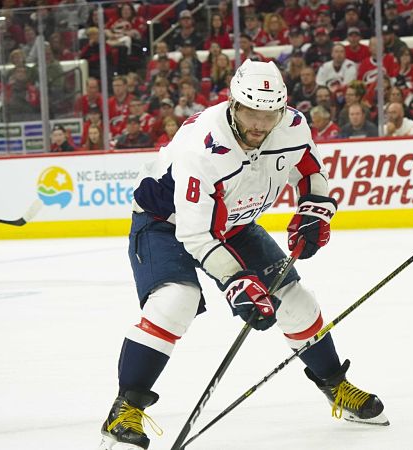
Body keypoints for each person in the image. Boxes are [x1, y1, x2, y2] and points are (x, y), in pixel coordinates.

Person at [98, 60, 387, 450]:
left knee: (295, 302)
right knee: (175, 301)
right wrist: (237, 281)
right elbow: (196, 233)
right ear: (233, 104)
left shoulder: (293, 125)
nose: (260, 125)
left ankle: (336, 386)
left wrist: (315, 206)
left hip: (235, 222)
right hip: (166, 223)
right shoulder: (201, 148)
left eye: (270, 115)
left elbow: (310, 171)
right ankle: (125, 407)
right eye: (252, 112)